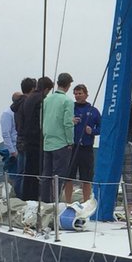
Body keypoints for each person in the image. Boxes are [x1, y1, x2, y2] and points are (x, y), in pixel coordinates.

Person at [41, 73, 75, 204]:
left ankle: (44, 203)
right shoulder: (67, 101)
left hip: (47, 141)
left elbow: (41, 120)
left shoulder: (46, 100)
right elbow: (68, 123)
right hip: (61, 143)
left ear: (57, 83)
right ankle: (54, 202)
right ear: (68, 85)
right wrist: (70, 141)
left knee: (46, 175)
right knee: (58, 177)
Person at [68, 84, 102, 203]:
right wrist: (70, 121)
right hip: (72, 147)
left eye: (80, 93)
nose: (77, 96)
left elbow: (103, 128)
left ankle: (86, 202)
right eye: (76, 94)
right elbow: (61, 122)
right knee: (69, 177)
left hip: (86, 148)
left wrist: (92, 131)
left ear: (86, 94)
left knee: (86, 177)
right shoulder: (70, 108)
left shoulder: (93, 111)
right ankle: (68, 201)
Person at [16, 76, 48, 201]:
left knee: (23, 172)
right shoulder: (37, 100)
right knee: (32, 170)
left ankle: (22, 197)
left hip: (22, 139)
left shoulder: (21, 104)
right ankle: (31, 197)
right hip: (33, 140)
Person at [0, 91, 23, 193]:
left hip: (20, 147)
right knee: (14, 174)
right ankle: (12, 194)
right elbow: (6, 133)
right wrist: (12, 151)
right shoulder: (7, 114)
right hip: (13, 150)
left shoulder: (19, 113)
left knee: (21, 174)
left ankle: (18, 193)